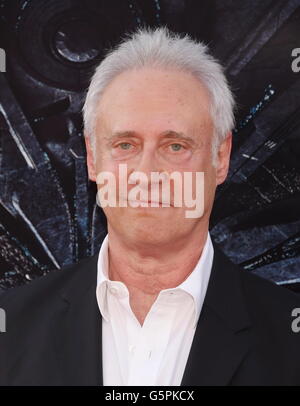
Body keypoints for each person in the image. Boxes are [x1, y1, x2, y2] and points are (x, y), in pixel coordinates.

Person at [0, 26, 299, 386]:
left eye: (175, 147)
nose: (147, 174)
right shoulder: (11, 330)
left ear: (221, 156)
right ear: (93, 158)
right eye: (125, 145)